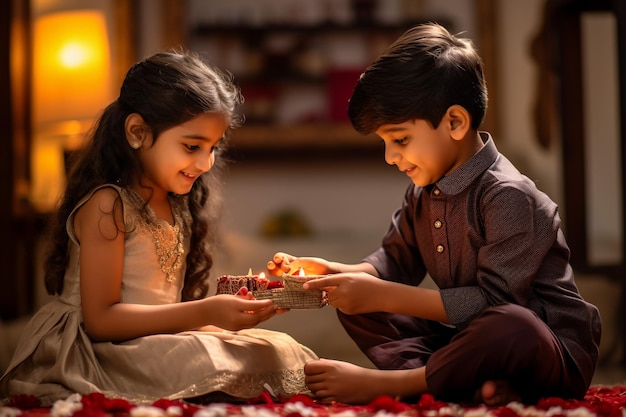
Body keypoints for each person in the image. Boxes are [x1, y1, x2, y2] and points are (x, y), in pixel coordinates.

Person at [268, 23, 601, 406]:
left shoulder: (508, 195)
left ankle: (401, 383)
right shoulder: (423, 192)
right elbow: (393, 263)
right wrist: (333, 273)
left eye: (400, 140)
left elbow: (495, 304)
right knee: (356, 305)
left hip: (543, 350)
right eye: (385, 143)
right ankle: (464, 385)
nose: (390, 157)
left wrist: (383, 294)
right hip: (468, 343)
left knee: (512, 323)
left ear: (455, 122)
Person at [0, 50, 317, 406]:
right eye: (192, 146)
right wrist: (207, 312)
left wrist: (227, 320)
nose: (205, 162)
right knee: (207, 360)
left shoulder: (179, 205)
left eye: (212, 147)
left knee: (280, 348)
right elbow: (101, 322)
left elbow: (167, 317)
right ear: (138, 132)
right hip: (98, 351)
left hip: (153, 342)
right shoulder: (109, 205)